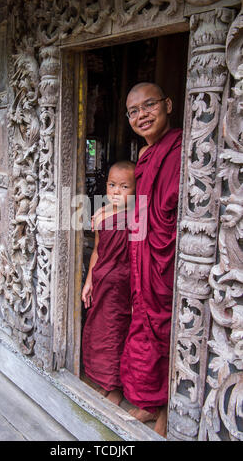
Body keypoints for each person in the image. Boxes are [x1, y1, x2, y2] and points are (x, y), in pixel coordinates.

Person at [120, 82, 183, 437]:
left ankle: (169, 409)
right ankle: (150, 403)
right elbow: (138, 207)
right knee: (143, 325)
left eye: (149, 106)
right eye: (133, 111)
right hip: (144, 252)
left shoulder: (181, 147)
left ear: (168, 105)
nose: (142, 115)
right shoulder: (143, 157)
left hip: (168, 256)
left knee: (168, 329)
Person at [82, 161, 136, 406]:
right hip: (102, 282)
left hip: (122, 288)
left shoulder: (138, 216)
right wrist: (88, 281)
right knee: (98, 332)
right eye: (112, 185)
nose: (116, 191)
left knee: (116, 335)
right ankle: (101, 380)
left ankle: (114, 387)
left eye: (124, 187)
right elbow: (96, 251)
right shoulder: (100, 215)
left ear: (136, 191)